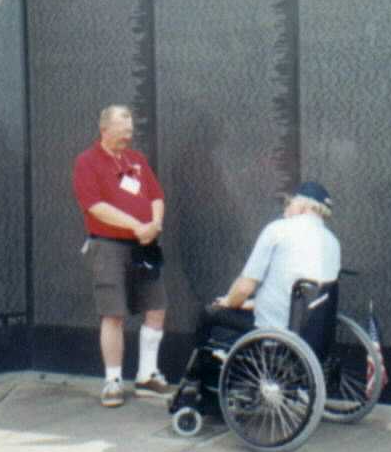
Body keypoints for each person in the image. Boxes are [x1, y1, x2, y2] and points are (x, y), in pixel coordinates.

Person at [72, 104, 175, 407]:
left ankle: (147, 375)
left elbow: (156, 195)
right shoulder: (87, 161)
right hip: (109, 246)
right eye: (122, 128)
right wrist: (136, 225)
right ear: (104, 128)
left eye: (130, 129)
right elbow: (94, 206)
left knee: (156, 307)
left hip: (144, 245)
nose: (128, 134)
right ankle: (113, 380)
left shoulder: (136, 160)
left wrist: (154, 224)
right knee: (113, 313)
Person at [208, 181, 341, 335]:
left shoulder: (277, 230)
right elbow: (294, 297)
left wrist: (229, 302)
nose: (285, 209)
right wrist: (248, 304)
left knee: (209, 313)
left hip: (273, 331)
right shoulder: (333, 243)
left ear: (302, 206)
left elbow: (244, 288)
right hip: (311, 335)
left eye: (289, 203)